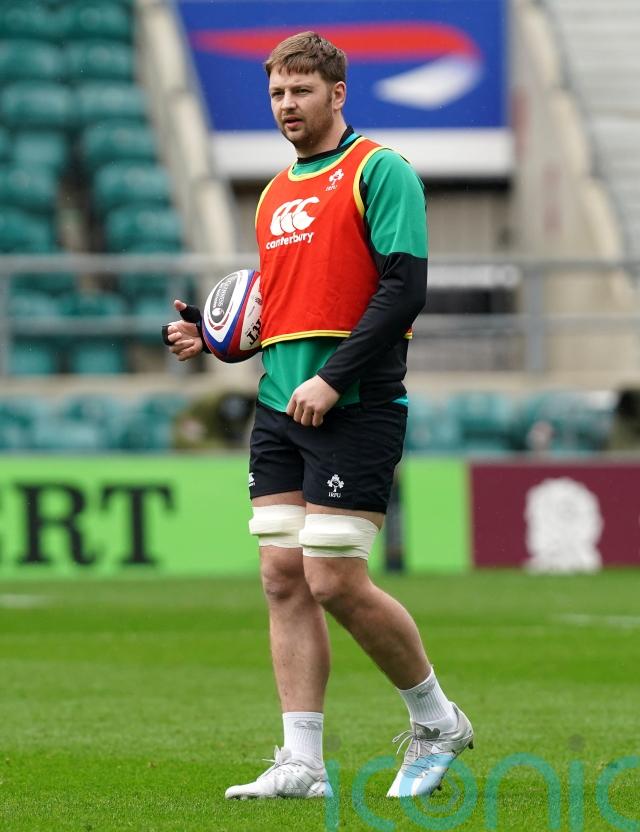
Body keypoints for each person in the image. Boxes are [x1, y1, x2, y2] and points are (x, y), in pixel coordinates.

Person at [165, 31, 473, 800]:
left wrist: (334, 379)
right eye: (276, 93)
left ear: (336, 93)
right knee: (281, 576)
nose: (286, 105)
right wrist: (213, 340)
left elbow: (403, 289)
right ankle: (301, 762)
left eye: (300, 91)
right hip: (279, 406)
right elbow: (284, 310)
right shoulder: (273, 193)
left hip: (356, 403)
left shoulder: (380, 170)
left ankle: (437, 721)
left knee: (332, 578)